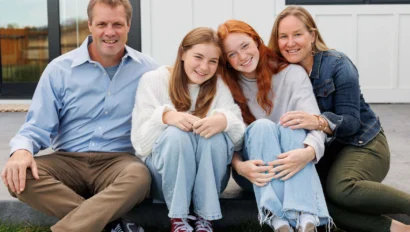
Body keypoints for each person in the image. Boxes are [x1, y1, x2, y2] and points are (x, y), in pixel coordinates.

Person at [0, 0, 157, 231]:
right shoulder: (60, 69)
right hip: (67, 160)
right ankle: (110, 224)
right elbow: (36, 126)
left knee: (140, 178)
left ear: (129, 25)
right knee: (20, 177)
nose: (110, 32)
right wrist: (21, 151)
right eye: (102, 24)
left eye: (117, 24)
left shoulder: (148, 70)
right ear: (90, 25)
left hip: (118, 162)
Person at [268, 5, 410, 232]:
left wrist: (319, 121)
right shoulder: (279, 73)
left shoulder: (337, 65)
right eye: (283, 36)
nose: (290, 42)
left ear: (312, 36)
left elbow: (352, 123)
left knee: (341, 188)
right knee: (318, 203)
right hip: (328, 152)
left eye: (297, 34)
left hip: (363, 143)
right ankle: (398, 229)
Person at [217, 19, 332, 232]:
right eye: (232, 54)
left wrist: (307, 154)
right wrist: (241, 167)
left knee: (292, 123)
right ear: (226, 61)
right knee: (261, 126)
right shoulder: (226, 85)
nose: (242, 57)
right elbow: (226, 138)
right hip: (255, 171)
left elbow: (313, 122)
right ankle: (280, 218)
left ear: (257, 41)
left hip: (296, 160)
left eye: (245, 46)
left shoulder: (291, 73)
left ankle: (303, 221)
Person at [131, 27, 245, 232]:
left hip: (208, 182)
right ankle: (178, 219)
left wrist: (224, 121)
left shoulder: (218, 86)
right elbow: (140, 143)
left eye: (213, 61)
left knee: (215, 135)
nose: (204, 67)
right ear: (182, 53)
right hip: (164, 180)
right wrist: (166, 117)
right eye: (198, 57)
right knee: (177, 134)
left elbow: (238, 141)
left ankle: (205, 218)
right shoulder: (154, 80)